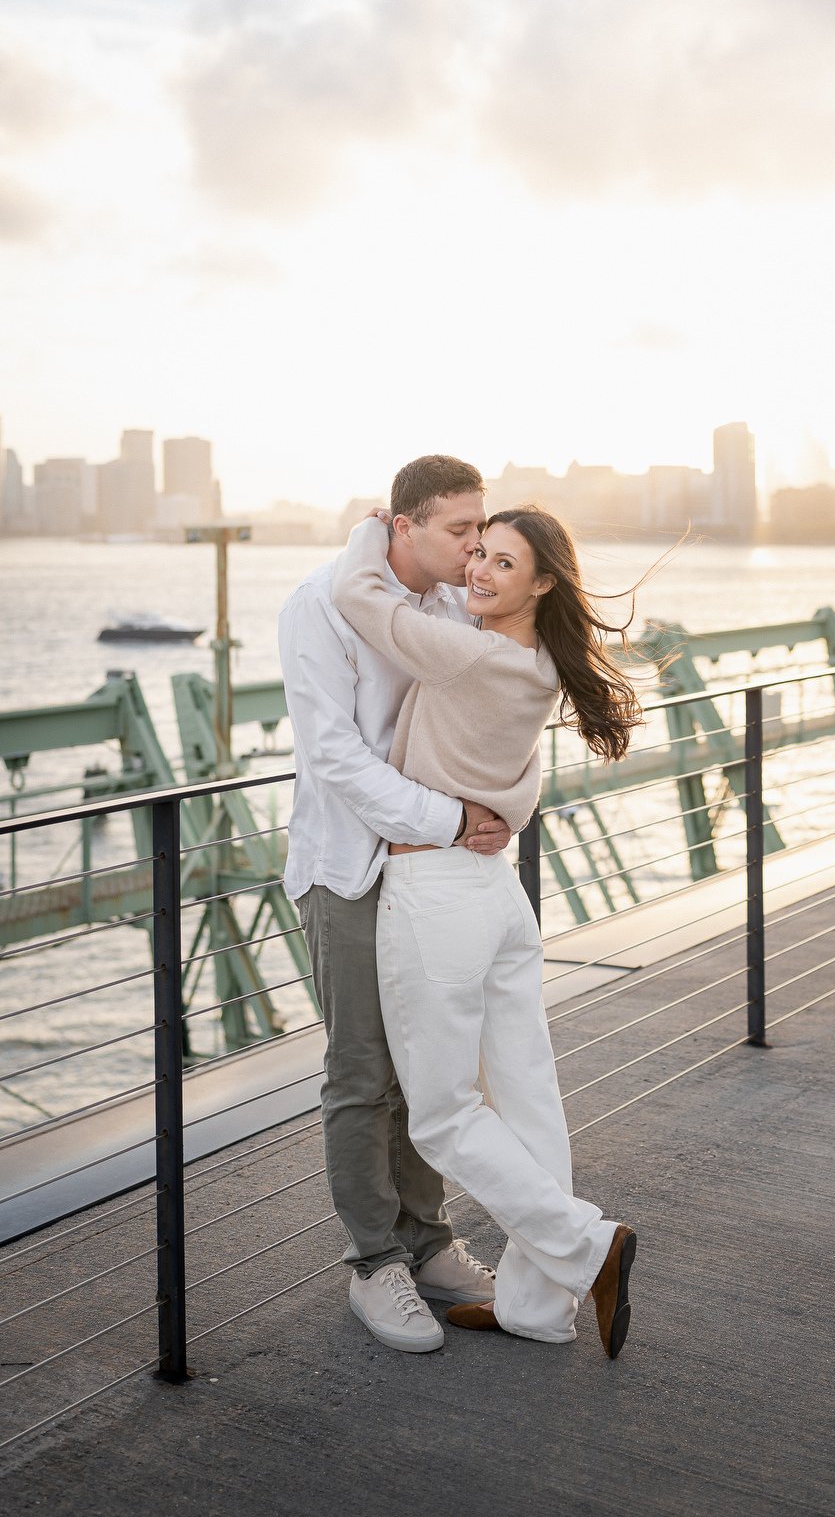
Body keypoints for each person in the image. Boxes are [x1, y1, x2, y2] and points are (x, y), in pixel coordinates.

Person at [329, 502, 644, 1356]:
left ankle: (589, 1246)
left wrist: (371, 526)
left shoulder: (470, 649)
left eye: (503, 563)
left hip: (436, 894)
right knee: (527, 1097)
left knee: (440, 1114)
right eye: (480, 555)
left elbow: (363, 598)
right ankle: (538, 1309)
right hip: (496, 894)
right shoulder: (540, 664)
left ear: (542, 582)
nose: (478, 571)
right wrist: (493, 809)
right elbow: (522, 787)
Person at [278, 456, 507, 1356]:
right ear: (401, 526)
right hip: (348, 869)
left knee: (429, 1066)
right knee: (362, 1074)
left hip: (431, 874)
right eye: (460, 530)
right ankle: (375, 1263)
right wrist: (450, 819)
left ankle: (429, 1241)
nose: (476, 547)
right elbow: (335, 756)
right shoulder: (317, 605)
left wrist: (484, 817)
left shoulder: (457, 604)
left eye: (481, 530)